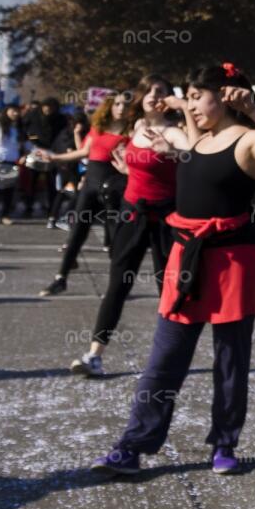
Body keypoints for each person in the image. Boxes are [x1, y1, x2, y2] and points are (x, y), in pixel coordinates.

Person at [91, 63, 255, 475]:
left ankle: (224, 444)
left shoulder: (249, 139)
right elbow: (187, 152)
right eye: (186, 97)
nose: (189, 104)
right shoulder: (198, 139)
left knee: (230, 360)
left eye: (195, 96)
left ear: (224, 97)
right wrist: (159, 153)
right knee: (164, 360)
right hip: (185, 258)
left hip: (233, 262)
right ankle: (133, 445)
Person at [69, 74, 190, 377]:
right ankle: (94, 355)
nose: (152, 94)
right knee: (117, 285)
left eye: (160, 90)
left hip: (164, 219)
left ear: (168, 98)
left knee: (168, 288)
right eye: (147, 90)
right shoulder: (136, 128)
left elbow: (196, 156)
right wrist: (127, 168)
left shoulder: (174, 132)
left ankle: (168, 358)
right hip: (131, 214)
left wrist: (172, 150)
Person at [38, 93, 132, 295]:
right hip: (89, 188)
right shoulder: (97, 129)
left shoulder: (131, 132)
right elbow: (82, 152)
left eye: (125, 104)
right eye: (117, 104)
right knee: (76, 233)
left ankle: (117, 285)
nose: (121, 108)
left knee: (115, 240)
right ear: (109, 106)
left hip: (114, 190)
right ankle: (60, 278)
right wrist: (54, 158)